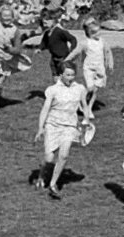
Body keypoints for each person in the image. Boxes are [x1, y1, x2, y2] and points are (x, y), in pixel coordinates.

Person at [31, 63, 90, 199]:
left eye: (73, 75)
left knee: (63, 155)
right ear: (61, 75)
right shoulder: (53, 90)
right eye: (68, 75)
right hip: (53, 125)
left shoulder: (80, 88)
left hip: (69, 126)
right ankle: (41, 175)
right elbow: (45, 109)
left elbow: (84, 106)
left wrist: (86, 119)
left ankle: (53, 184)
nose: (71, 78)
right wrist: (40, 128)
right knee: (49, 158)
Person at [76, 18, 114, 113]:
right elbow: (77, 52)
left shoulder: (102, 41)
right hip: (89, 68)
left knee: (95, 90)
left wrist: (110, 64)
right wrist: (68, 59)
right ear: (91, 33)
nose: (99, 34)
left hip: (100, 68)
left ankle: (89, 108)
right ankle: (80, 101)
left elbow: (108, 52)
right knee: (90, 88)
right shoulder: (86, 43)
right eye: (97, 32)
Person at [37, 7, 79, 79]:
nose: (44, 25)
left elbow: (72, 39)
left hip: (63, 58)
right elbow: (44, 42)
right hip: (53, 58)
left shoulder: (59, 31)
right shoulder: (47, 33)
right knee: (55, 75)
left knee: (63, 75)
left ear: (53, 21)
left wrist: (72, 49)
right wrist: (40, 49)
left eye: (46, 23)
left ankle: (65, 87)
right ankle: (57, 84)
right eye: (43, 23)